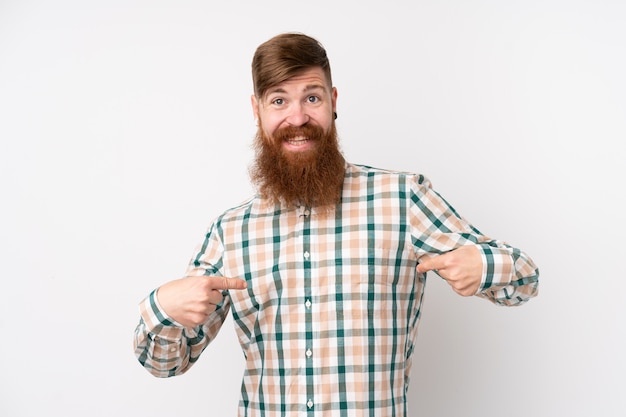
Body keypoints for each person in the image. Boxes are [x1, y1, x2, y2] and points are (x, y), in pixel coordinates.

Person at [133, 32, 539, 416]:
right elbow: (165, 365)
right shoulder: (230, 231)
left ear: (333, 101)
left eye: (311, 97)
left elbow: (525, 280)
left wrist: (482, 266)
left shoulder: (402, 199)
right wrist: (163, 309)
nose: (297, 117)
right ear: (256, 111)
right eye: (278, 101)